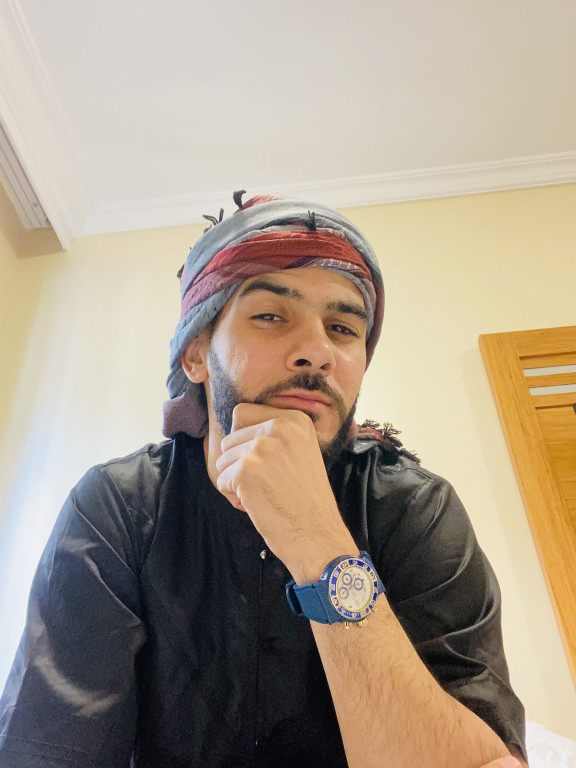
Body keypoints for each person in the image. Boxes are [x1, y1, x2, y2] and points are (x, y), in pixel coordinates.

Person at [0, 193, 527, 768]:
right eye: (271, 316)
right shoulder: (118, 507)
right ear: (196, 355)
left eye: (343, 328)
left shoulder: (414, 508)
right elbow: (48, 751)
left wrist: (318, 543)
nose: (317, 353)